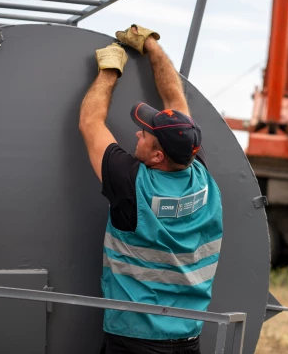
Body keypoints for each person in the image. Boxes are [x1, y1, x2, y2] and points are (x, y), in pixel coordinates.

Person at [79, 24, 223, 354]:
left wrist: (110, 69)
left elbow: (90, 122)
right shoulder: (199, 173)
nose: (136, 135)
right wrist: (151, 47)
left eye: (144, 134)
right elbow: (175, 100)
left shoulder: (133, 184)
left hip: (133, 341)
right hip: (188, 338)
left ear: (158, 156)